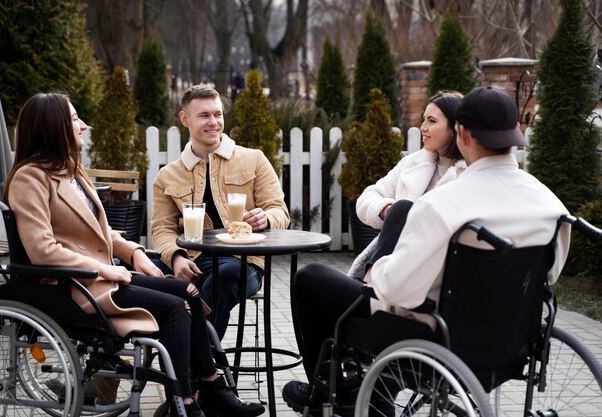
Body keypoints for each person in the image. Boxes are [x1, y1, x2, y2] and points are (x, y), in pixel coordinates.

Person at [282, 86, 571, 414]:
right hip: (512, 338)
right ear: (515, 136)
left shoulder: (443, 204)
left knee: (310, 279)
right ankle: (358, 392)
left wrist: (379, 270)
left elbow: (397, 291)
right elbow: (548, 275)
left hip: (436, 339)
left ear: (462, 132)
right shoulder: (550, 204)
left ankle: (334, 393)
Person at [4, 93, 265, 417]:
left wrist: (135, 253)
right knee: (174, 308)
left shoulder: (71, 174)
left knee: (188, 292)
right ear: (52, 127)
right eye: (74, 119)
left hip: (98, 277)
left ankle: (211, 387)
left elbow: (100, 234)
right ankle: (184, 401)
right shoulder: (30, 178)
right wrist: (104, 270)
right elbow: (42, 250)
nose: (83, 125)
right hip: (73, 286)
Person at [151, 84, 290, 340]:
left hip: (241, 261)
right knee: (130, 268)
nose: (213, 122)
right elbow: (161, 228)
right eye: (204, 115)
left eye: (218, 114)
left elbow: (280, 211)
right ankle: (123, 358)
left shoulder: (254, 159)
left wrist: (266, 218)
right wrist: (176, 258)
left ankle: (199, 362)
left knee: (221, 278)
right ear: (185, 119)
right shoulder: (167, 175)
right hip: (191, 259)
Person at [348, 91, 467, 280]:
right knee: (309, 276)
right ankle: (370, 282)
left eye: (431, 121)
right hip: (386, 262)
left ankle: (370, 285)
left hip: (425, 277)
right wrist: (388, 211)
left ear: (454, 128)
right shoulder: (414, 163)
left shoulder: (468, 175)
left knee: (404, 208)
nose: (423, 127)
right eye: (423, 120)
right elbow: (368, 197)